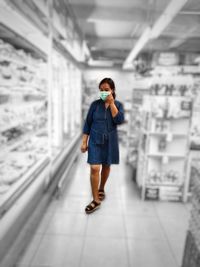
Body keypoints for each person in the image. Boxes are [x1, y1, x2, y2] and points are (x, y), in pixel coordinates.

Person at [81, 77, 124, 214]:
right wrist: (84, 142)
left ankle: (101, 188)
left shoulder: (118, 104)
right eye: (101, 90)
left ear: (112, 90)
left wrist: (111, 104)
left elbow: (119, 120)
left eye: (106, 90)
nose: (103, 92)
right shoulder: (94, 105)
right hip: (95, 140)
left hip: (110, 140)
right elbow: (87, 123)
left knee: (106, 165)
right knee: (94, 168)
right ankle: (96, 200)